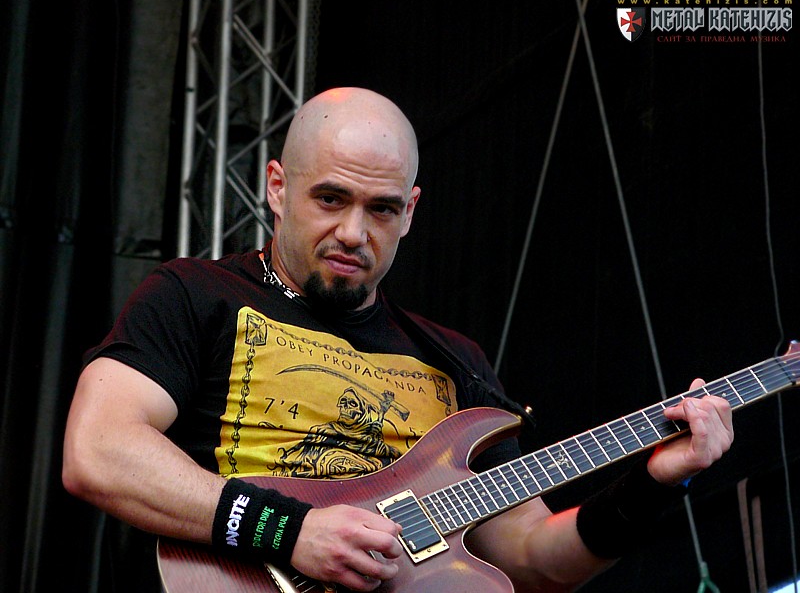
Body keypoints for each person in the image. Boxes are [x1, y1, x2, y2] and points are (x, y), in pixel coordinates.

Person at [62, 87, 734, 592]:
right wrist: (291, 532)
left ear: (409, 211)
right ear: (277, 188)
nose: (354, 233)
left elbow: (533, 561)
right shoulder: (195, 295)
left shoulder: (455, 364)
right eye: (331, 199)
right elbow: (98, 451)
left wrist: (653, 483)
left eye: (381, 209)